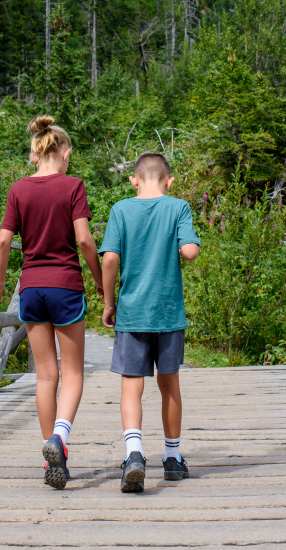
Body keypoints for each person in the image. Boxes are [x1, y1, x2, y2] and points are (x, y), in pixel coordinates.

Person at [0, 115, 102, 490]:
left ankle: (51, 461)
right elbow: (85, 240)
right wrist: (100, 281)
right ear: (64, 151)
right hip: (66, 286)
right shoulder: (73, 186)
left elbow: (3, 242)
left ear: (37, 153)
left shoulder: (18, 190)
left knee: (45, 376)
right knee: (72, 374)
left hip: (32, 289)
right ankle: (60, 439)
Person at [100, 151, 201, 493]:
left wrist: (109, 302)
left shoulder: (120, 210)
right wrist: (182, 241)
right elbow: (190, 251)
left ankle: (134, 454)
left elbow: (111, 258)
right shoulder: (178, 207)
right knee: (169, 385)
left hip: (131, 311)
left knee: (132, 386)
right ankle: (172, 459)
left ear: (134, 180)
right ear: (169, 181)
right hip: (168, 313)